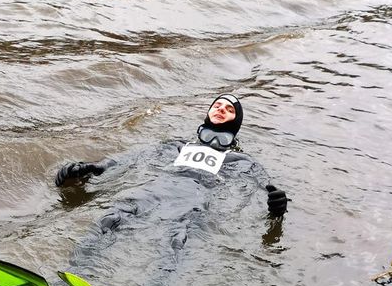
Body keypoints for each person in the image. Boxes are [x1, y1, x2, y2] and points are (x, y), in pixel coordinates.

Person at [55, 94, 288, 221]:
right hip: (157, 189)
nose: (220, 110)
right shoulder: (178, 146)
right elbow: (133, 159)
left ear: (235, 122)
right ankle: (70, 275)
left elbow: (261, 190)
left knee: (175, 243)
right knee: (113, 218)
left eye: (228, 110)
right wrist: (95, 168)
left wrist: (277, 210)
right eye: (217, 105)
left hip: (195, 203)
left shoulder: (241, 161)